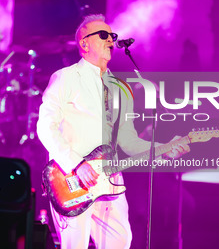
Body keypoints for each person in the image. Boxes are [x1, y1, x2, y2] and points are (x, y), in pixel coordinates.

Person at [37, 14, 190, 249]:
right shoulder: (66, 78)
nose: (110, 40)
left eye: (112, 36)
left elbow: (127, 141)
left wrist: (163, 149)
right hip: (72, 181)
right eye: (103, 35)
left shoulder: (120, 88)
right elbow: (45, 127)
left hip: (110, 181)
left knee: (120, 241)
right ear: (84, 44)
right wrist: (76, 163)